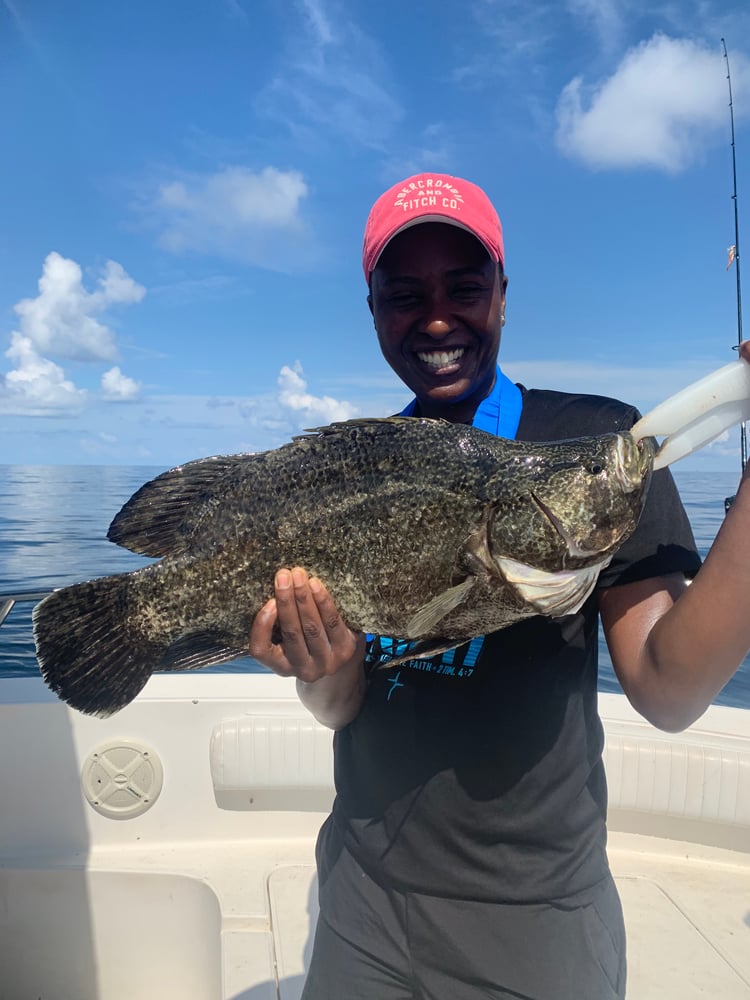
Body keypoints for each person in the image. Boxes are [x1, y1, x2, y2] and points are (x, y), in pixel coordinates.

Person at [248, 172, 750, 999]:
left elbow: (669, 688)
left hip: (536, 913)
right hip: (360, 892)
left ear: (505, 297)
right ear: (373, 310)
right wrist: (321, 665)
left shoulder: (589, 446)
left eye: (465, 287)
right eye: (405, 293)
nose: (437, 317)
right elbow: (341, 706)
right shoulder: (362, 466)